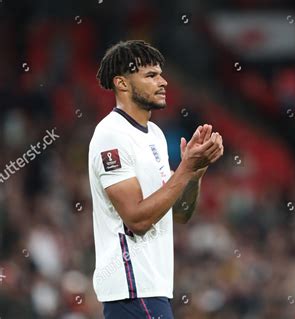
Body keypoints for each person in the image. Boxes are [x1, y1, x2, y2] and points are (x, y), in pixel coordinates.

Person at [88, 40, 224, 319]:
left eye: (161, 74)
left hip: (153, 288)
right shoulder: (111, 135)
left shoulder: (156, 136)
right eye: (150, 75)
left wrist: (195, 175)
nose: (163, 82)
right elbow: (136, 220)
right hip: (132, 288)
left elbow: (179, 215)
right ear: (122, 84)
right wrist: (184, 169)